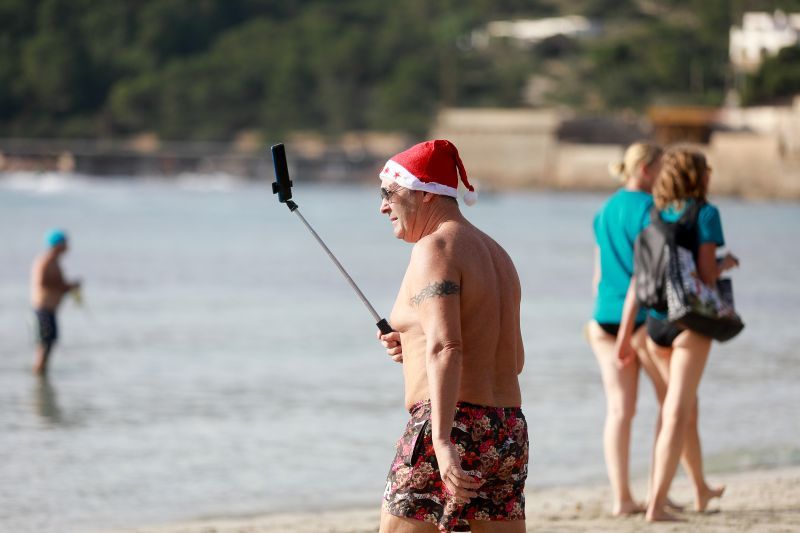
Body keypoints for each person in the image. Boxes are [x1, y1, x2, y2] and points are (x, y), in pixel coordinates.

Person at [376, 140, 528, 533]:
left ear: (425, 193)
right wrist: (411, 345)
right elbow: (513, 361)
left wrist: (441, 440)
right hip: (506, 428)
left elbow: (447, 346)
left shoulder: (435, 248)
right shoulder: (498, 255)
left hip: (448, 422)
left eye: (389, 193)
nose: (383, 206)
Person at [615, 147, 737, 521]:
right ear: (699, 177)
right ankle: (656, 506)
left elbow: (639, 279)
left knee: (680, 408)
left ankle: (699, 489)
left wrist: (624, 333)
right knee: (677, 412)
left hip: (654, 325)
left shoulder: (653, 212)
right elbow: (705, 272)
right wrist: (726, 263)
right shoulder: (706, 213)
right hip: (689, 324)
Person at [587, 142, 662, 516]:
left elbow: (599, 271)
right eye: (661, 168)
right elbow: (641, 276)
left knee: (619, 411)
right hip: (638, 321)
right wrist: (628, 333)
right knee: (672, 405)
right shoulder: (650, 210)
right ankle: (658, 492)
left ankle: (622, 499)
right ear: (647, 169)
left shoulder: (604, 211)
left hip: (602, 315)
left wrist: (597, 318)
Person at [30, 229, 81, 375]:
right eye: (65, 243)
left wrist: (70, 287)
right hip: (43, 309)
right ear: (58, 244)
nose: (67, 247)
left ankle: (42, 373)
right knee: (44, 343)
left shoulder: (55, 262)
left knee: (50, 342)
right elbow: (42, 283)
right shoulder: (44, 262)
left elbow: (58, 286)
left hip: (51, 309)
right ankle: (39, 373)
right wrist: (66, 286)